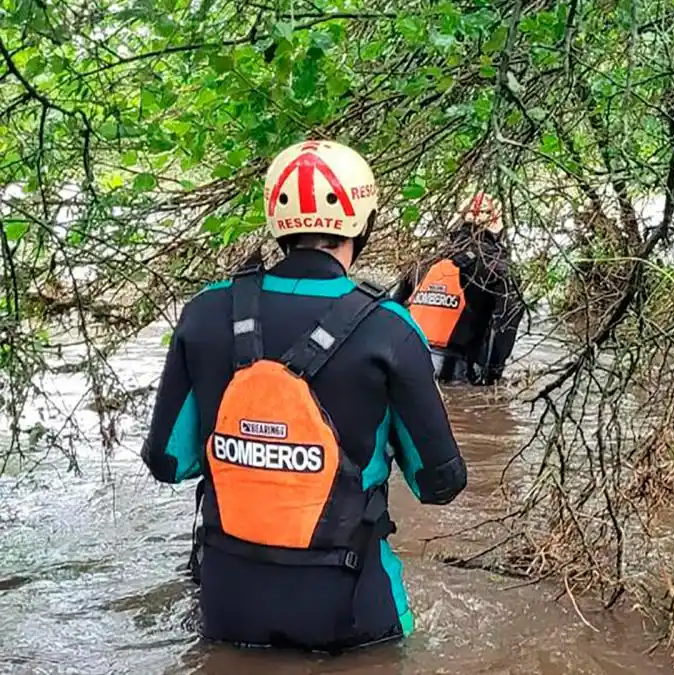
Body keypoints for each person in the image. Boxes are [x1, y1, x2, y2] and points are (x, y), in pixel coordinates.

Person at [141, 139, 466, 653]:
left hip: (226, 608)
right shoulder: (390, 329)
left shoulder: (204, 312)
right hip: (354, 615)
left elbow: (167, 462)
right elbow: (440, 483)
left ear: (276, 222)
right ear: (364, 222)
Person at [392, 191, 525, 385]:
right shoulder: (500, 269)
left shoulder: (424, 260)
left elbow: (390, 311)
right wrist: (491, 382)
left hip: (404, 367)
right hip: (458, 376)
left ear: (460, 219)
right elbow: (505, 328)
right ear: (499, 225)